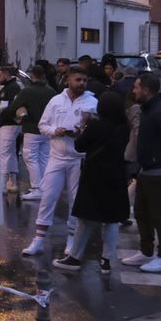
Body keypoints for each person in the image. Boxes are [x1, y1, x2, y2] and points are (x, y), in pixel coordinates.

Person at [22, 69, 98, 257]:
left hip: (79, 159)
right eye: (78, 80)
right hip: (56, 157)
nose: (82, 83)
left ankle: (71, 239)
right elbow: (43, 125)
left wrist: (83, 132)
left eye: (84, 80)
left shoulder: (92, 102)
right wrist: (56, 131)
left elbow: (97, 128)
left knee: (75, 201)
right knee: (48, 197)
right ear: (68, 81)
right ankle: (38, 240)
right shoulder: (56, 101)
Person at [56, 91, 132, 274]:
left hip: (94, 176)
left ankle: (75, 257)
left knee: (85, 218)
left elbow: (79, 145)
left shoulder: (96, 126)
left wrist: (83, 127)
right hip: (116, 176)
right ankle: (107, 260)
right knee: (111, 220)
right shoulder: (124, 127)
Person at [119, 73, 161, 273]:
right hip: (147, 169)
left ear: (146, 90)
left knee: (159, 214)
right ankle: (146, 251)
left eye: (137, 87)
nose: (133, 90)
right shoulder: (147, 109)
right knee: (141, 212)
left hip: (160, 170)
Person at [10, 67, 57, 201]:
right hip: (47, 130)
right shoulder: (51, 91)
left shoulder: (27, 91)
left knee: (31, 159)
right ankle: (43, 187)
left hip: (31, 129)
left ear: (32, 75)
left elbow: (14, 107)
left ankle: (36, 188)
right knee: (44, 159)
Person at [0, 66, 23, 194]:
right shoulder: (9, 87)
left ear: (6, 75)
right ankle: (11, 181)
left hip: (9, 124)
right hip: (9, 124)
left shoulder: (12, 88)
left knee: (4, 153)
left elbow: (7, 108)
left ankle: (2, 184)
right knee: (10, 153)